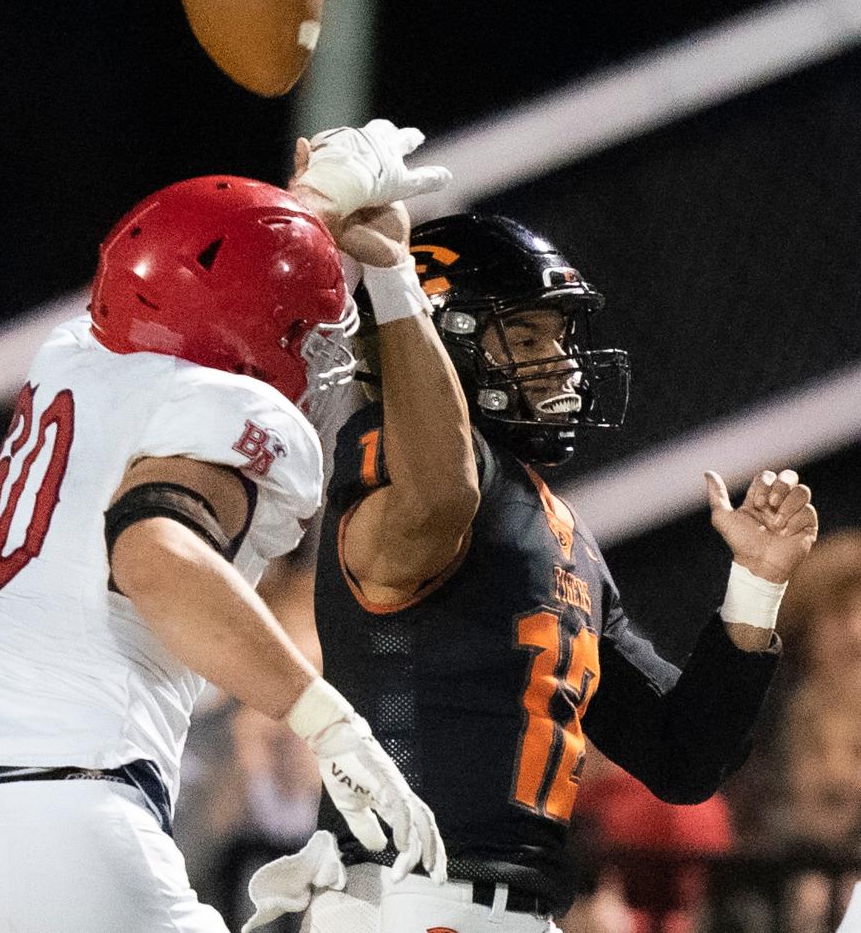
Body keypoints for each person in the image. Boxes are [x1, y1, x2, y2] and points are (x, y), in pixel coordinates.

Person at [0, 120, 452, 933]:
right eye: (305, 330)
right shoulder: (233, 405)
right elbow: (155, 555)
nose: (322, 349)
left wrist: (308, 210)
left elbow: (205, 281)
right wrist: (327, 724)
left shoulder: (74, 353)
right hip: (67, 821)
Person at [244, 209, 819, 933]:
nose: (561, 363)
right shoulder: (397, 456)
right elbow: (439, 495)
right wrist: (392, 283)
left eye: (557, 337)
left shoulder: (555, 527)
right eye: (524, 337)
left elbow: (684, 754)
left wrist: (756, 585)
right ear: (443, 338)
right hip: (408, 896)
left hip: (515, 908)